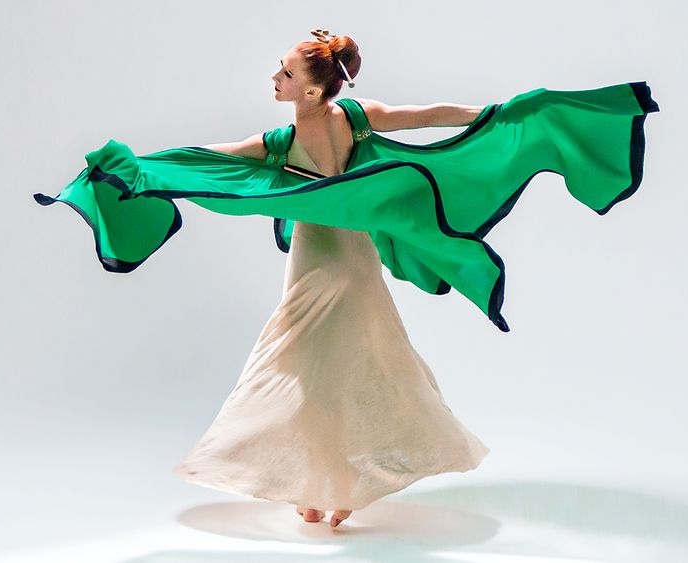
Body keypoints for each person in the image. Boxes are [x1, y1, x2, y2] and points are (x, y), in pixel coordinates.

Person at [172, 29, 491, 528]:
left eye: (286, 73)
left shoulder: (286, 142)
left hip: (322, 257)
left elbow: (214, 156)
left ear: (312, 89)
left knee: (308, 365)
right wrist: (488, 115)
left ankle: (328, 484)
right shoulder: (345, 123)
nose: (275, 77)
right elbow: (426, 115)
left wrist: (145, 170)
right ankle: (329, 483)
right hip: (353, 255)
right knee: (358, 363)